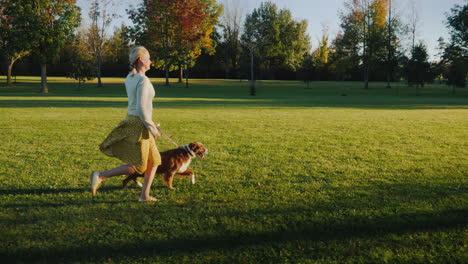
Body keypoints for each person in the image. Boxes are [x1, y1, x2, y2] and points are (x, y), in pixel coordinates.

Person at [91, 46, 161, 202]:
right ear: (141, 60)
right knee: (140, 166)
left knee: (155, 160)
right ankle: (101, 175)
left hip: (135, 119)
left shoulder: (130, 77)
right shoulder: (142, 80)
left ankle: (144, 195)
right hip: (139, 124)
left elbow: (139, 106)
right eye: (148, 58)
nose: (151, 61)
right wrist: (152, 127)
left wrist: (149, 122)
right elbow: (142, 108)